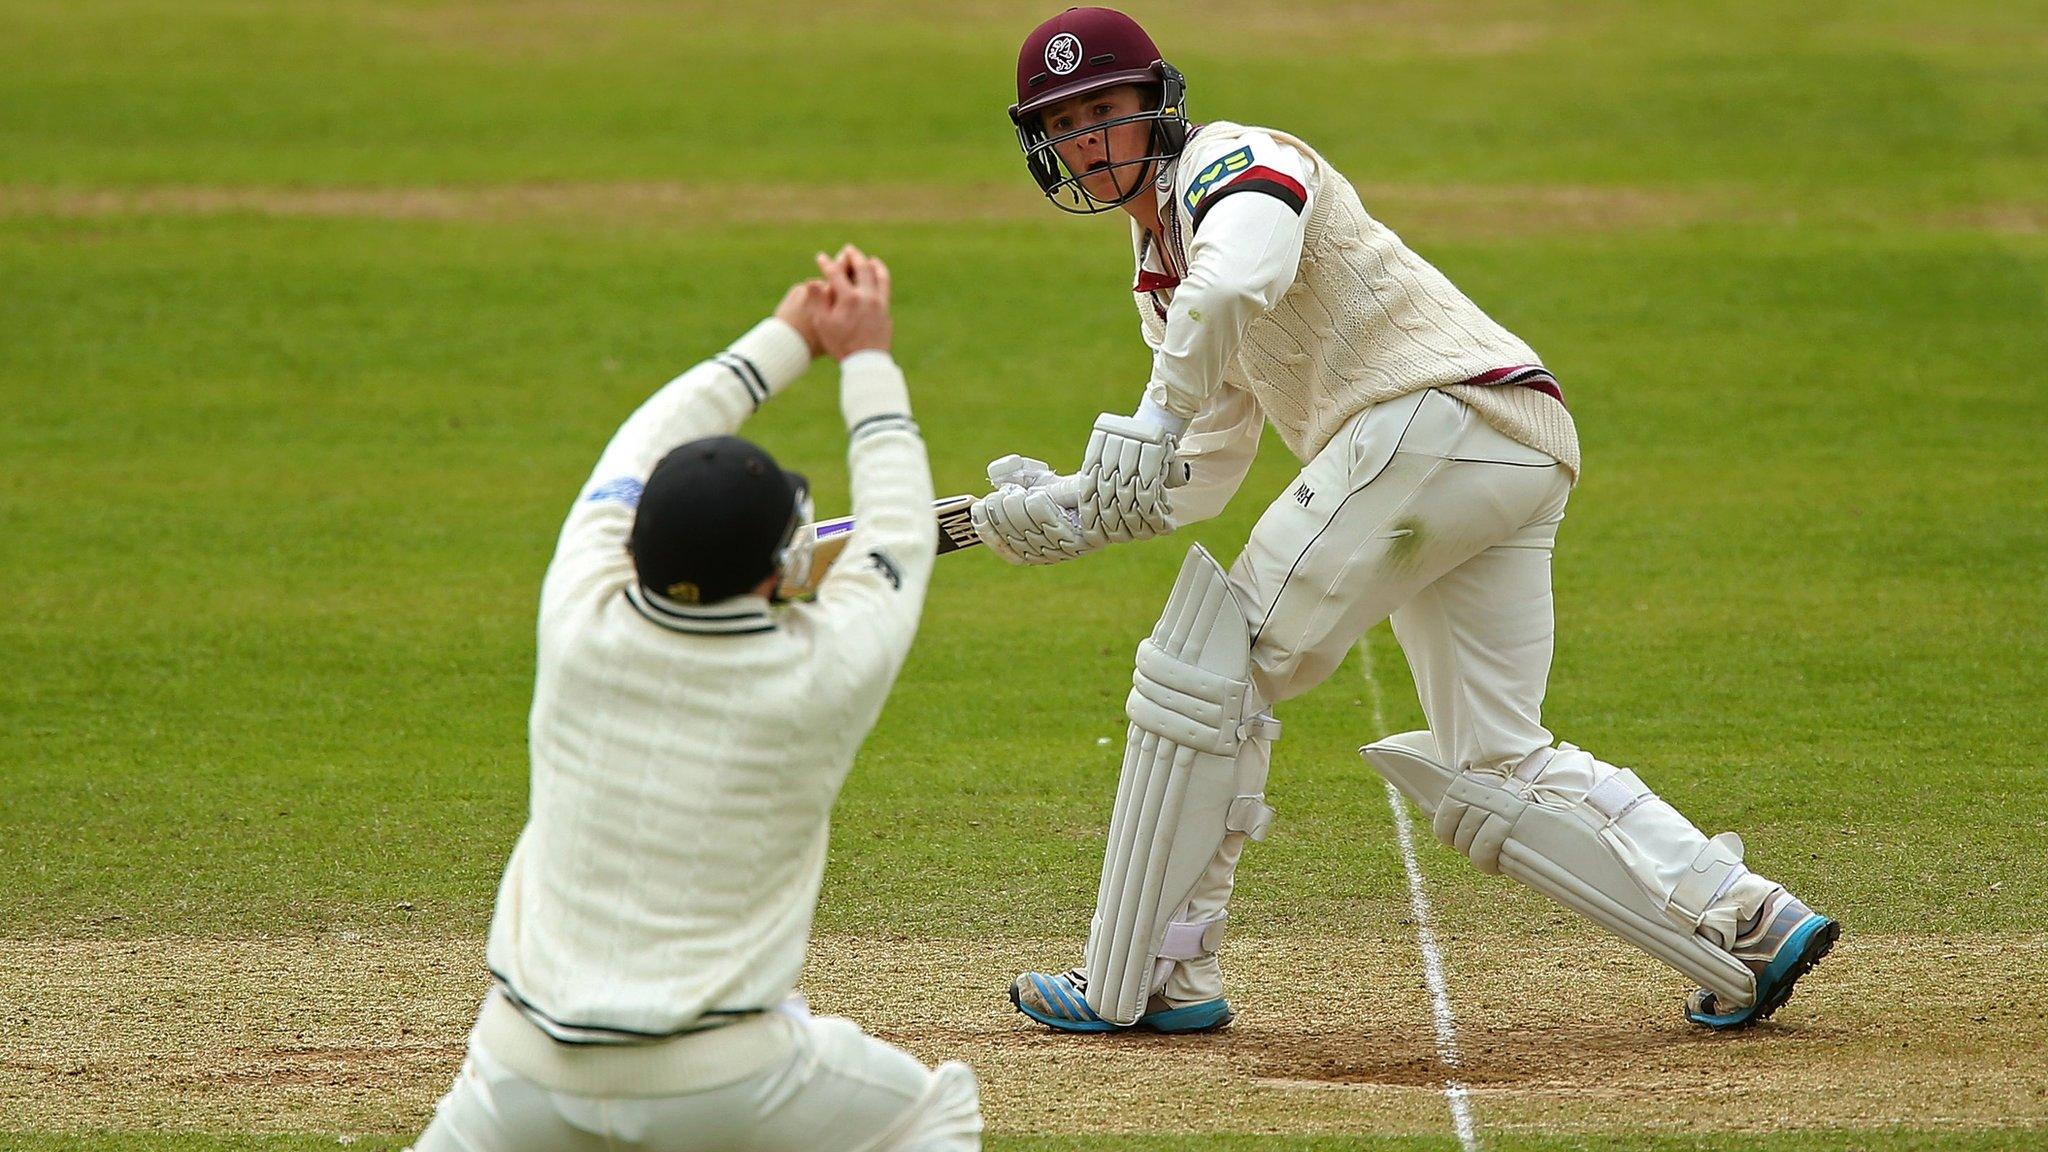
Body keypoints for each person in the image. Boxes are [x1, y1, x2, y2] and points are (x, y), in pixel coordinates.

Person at [972, 6, 1838, 1036]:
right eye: (1061, 125)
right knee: (1492, 760)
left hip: (1433, 419)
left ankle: (1156, 973)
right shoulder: (1160, 283)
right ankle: (1742, 915)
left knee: (1214, 662)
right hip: (1496, 444)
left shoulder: (1232, 161)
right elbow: (1201, 468)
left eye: (1102, 111)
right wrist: (1074, 509)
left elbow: (1238, 274)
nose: (1085, 141)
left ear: (1158, 104)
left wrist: (1150, 415)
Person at [410, 247, 983, 1152]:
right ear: (778, 569)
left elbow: (636, 446)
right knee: (932, 1114)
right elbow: (902, 531)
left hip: (520, 1068)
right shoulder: (820, 673)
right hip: (724, 1083)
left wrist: (786, 336)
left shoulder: (577, 610)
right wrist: (864, 354)